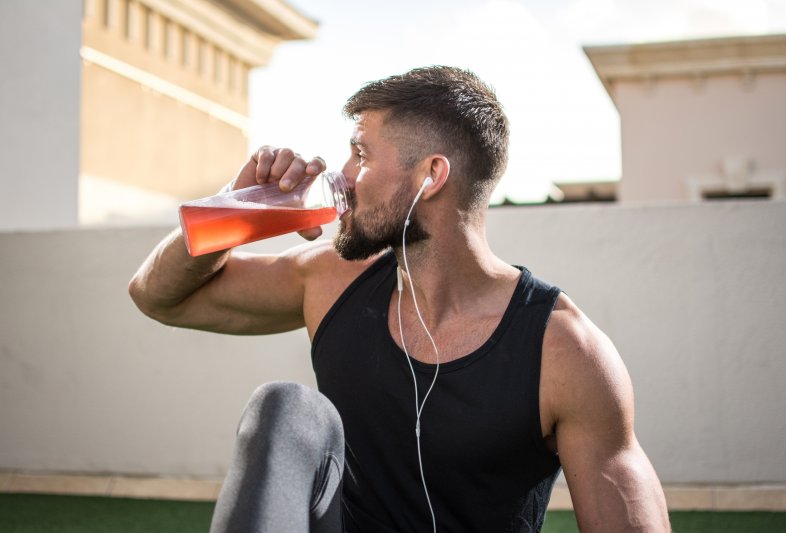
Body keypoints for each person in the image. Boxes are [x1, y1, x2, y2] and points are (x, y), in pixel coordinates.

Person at [129, 66, 670, 532]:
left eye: (360, 154)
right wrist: (237, 208)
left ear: (431, 175)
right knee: (286, 408)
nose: (339, 178)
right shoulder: (332, 279)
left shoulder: (566, 352)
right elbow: (158, 297)